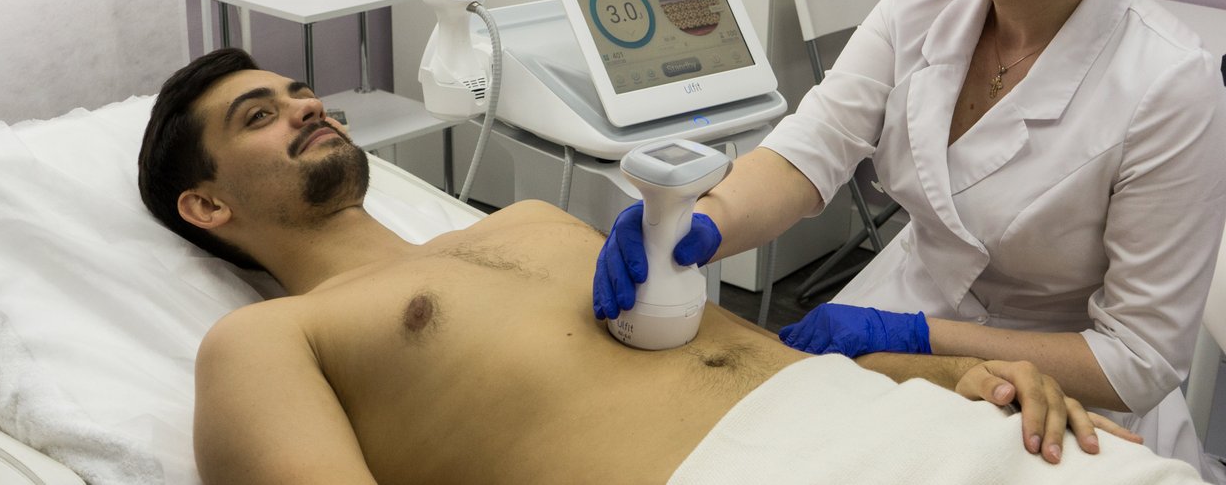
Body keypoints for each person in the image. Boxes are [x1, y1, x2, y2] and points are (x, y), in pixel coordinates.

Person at [592, 0, 1226, 479]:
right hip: (897, 328)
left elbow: (1137, 357)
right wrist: (705, 221)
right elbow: (814, 145)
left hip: (1054, 397)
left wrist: (918, 337)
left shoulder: (1169, 84)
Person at [136, 49, 1161, 485]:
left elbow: (753, 351)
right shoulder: (263, 340)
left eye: (301, 92)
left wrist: (953, 373)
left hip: (902, 429)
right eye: (259, 114)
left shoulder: (530, 219)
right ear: (207, 204)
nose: (305, 107)